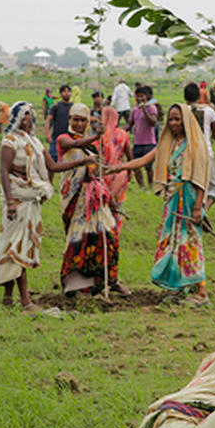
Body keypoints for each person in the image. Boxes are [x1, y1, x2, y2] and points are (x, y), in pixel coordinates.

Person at [109, 104, 210, 304]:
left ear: (186, 121)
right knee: (173, 242)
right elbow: (145, 159)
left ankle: (202, 292)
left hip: (188, 199)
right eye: (170, 119)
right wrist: (117, 168)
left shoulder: (195, 144)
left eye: (177, 119)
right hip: (173, 199)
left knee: (190, 242)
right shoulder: (168, 143)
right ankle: (182, 286)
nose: (173, 123)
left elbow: (200, 177)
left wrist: (198, 207)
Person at [0, 101, 91, 310]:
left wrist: (81, 163)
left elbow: (53, 166)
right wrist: (10, 201)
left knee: (21, 245)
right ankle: (25, 301)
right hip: (17, 200)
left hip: (31, 200)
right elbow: (4, 172)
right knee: (14, 247)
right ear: (17, 117)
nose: (28, 118)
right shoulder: (10, 141)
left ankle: (8, 298)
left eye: (30, 114)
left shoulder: (35, 142)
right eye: (24, 114)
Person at [57, 104, 126, 296]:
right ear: (69, 120)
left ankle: (109, 281)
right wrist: (96, 136)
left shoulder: (92, 147)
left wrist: (108, 197)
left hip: (94, 199)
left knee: (108, 237)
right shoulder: (63, 138)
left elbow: (96, 174)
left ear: (88, 122)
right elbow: (72, 146)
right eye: (75, 119)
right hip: (74, 200)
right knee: (78, 241)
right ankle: (73, 285)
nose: (79, 124)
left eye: (83, 120)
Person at [184, 82, 215, 210]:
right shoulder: (209, 111)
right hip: (205, 153)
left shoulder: (183, 111)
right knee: (212, 188)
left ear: (185, 98)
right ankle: (203, 211)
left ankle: (193, 210)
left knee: (192, 185)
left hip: (187, 153)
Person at [99, 107, 132, 207]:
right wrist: (130, 172)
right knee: (116, 206)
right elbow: (129, 156)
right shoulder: (123, 134)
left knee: (103, 205)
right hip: (119, 173)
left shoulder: (100, 136)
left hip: (102, 173)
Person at [128, 85, 158, 188]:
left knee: (148, 167)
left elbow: (153, 122)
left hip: (149, 143)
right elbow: (130, 124)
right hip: (137, 143)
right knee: (135, 166)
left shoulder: (151, 108)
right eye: (137, 96)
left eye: (141, 96)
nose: (139, 99)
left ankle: (150, 186)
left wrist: (145, 110)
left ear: (146, 97)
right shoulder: (135, 110)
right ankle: (141, 186)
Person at [45, 84, 73, 161]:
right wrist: (47, 134)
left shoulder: (73, 107)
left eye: (68, 91)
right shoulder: (56, 106)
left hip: (70, 137)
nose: (67, 93)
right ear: (61, 94)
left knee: (70, 159)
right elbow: (48, 120)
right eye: (64, 91)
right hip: (56, 137)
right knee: (52, 160)